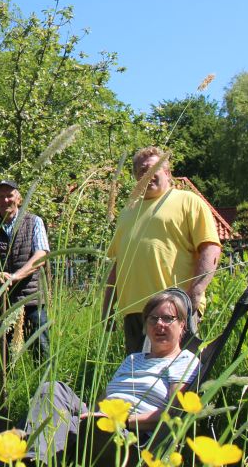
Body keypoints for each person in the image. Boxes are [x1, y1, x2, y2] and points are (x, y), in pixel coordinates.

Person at [18, 290, 200, 461]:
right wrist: (93, 414)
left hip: (132, 434)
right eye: (153, 319)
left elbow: (174, 413)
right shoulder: (133, 359)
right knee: (51, 390)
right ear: (146, 325)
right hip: (101, 420)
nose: (159, 324)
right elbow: (105, 398)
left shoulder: (184, 360)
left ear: (182, 324)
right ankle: (36, 460)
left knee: (79, 426)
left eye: (168, 318)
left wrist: (124, 421)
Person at [103, 147, 223, 354]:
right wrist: (106, 308)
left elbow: (210, 248)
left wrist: (195, 292)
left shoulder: (187, 201)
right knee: (139, 378)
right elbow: (117, 264)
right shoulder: (128, 212)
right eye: (140, 171)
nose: (146, 175)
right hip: (134, 313)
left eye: (151, 169)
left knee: (177, 377)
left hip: (173, 309)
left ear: (167, 173)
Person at [0, 180, 51, 360]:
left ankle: (45, 388)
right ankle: (5, 388)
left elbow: (41, 255)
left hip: (30, 301)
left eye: (9, 195)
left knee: (41, 351)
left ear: (19, 198)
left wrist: (14, 277)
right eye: (0, 196)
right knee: (4, 357)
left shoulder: (34, 222)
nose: (5, 200)